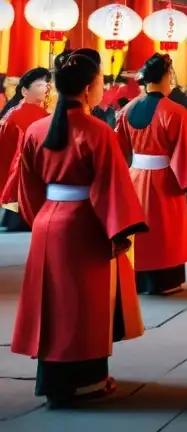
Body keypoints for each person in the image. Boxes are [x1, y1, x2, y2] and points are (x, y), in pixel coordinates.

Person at [12, 49, 147, 407]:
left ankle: (54, 380)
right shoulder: (98, 132)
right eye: (101, 81)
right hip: (86, 225)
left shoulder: (36, 129)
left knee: (53, 304)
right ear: (89, 88)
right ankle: (87, 381)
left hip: (48, 223)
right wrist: (118, 234)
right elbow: (112, 187)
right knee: (84, 306)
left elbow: (26, 186)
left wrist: (43, 219)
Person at [116, 54, 187, 295]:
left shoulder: (127, 109)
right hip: (165, 180)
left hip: (136, 176)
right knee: (165, 231)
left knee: (140, 231)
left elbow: (118, 149)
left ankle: (139, 279)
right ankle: (165, 280)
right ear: (166, 78)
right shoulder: (174, 112)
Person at [0, 67, 51, 231]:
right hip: (23, 170)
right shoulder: (18, 114)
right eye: (40, 84)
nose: (46, 88)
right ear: (24, 90)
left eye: (47, 84)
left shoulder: (43, 114)